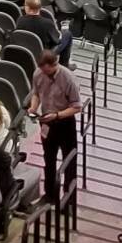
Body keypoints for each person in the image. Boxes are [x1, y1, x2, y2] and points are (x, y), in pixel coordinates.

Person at [29, 48, 83, 201]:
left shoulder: (68, 78)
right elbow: (36, 93)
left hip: (65, 122)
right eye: (43, 71)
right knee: (49, 160)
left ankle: (69, 199)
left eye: (49, 72)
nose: (45, 75)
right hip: (47, 121)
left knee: (70, 162)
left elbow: (77, 107)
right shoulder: (38, 73)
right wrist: (33, 107)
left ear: (55, 64)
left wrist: (58, 115)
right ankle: (50, 196)